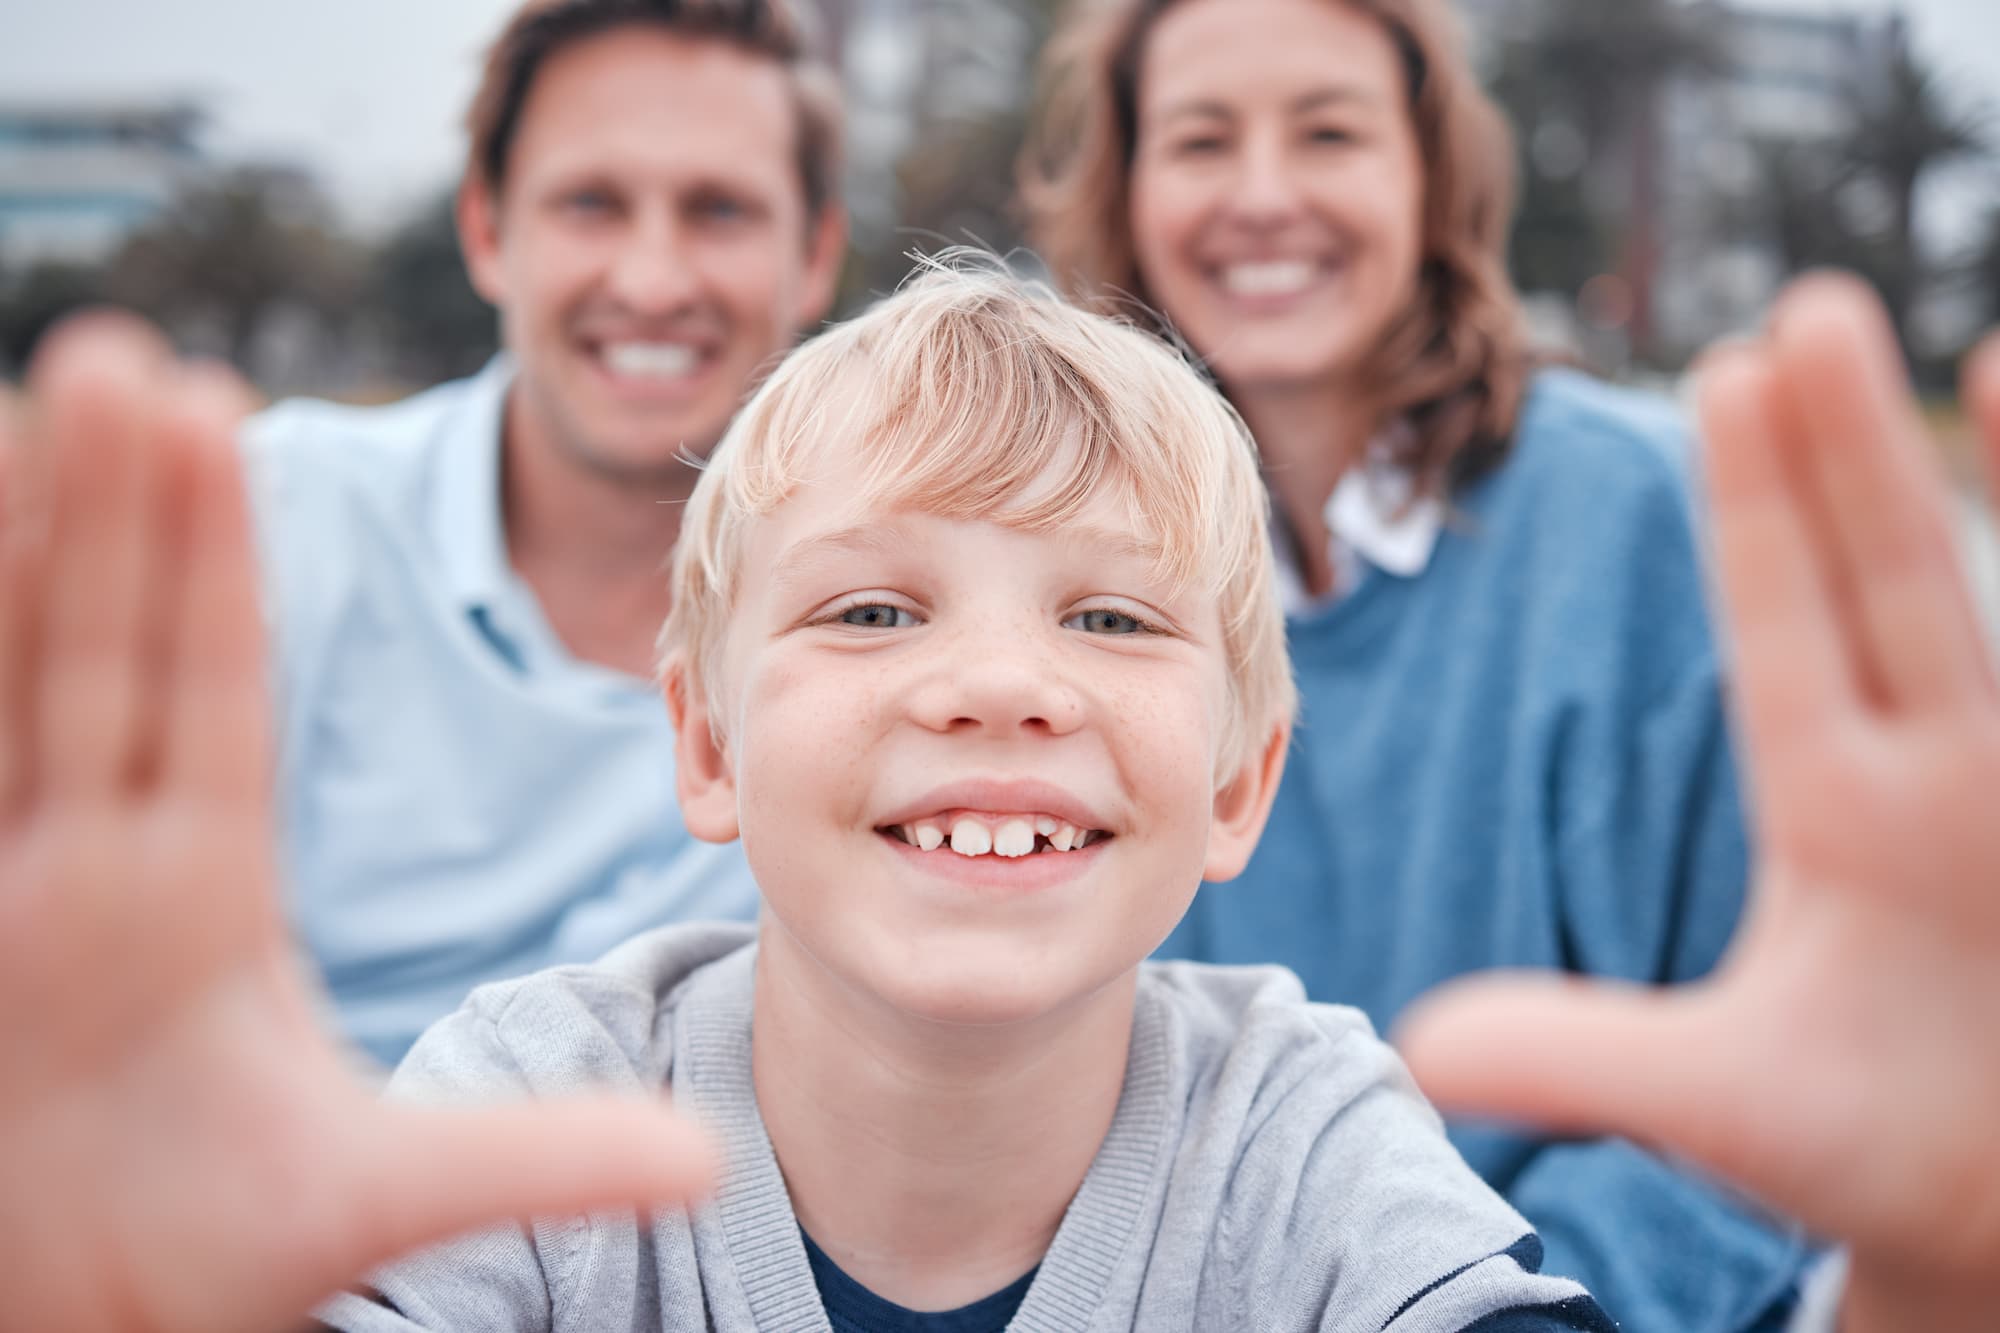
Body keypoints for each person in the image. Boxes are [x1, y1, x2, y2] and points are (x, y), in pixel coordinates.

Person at [2, 263, 1998, 1331]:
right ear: (702, 743)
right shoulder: (538, 1114)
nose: (994, 681)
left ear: (1240, 780)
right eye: (871, 605)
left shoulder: (1295, 1133)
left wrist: (1936, 1280)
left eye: (1115, 619)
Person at [1019, 0, 1790, 1324]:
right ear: (1127, 192)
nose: (1264, 196)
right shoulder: (1053, 563)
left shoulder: (1639, 517)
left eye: (1329, 134)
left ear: (1431, 181)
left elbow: (1768, 1076)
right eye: (1202, 141)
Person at [245, 0, 847, 1066]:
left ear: (814, 257)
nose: (653, 281)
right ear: (487, 232)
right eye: (589, 203)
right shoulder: (278, 523)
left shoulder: (896, 619)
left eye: (718, 210)